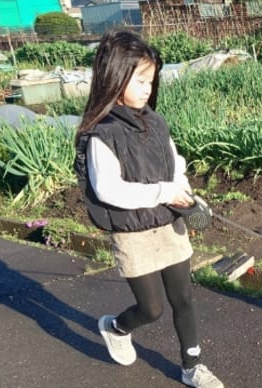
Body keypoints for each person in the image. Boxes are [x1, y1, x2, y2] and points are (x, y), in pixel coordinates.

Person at [73, 29, 223, 388]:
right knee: (151, 309)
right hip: (133, 233)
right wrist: (162, 191)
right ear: (115, 76)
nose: (147, 88)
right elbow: (109, 190)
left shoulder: (155, 122)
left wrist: (182, 189)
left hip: (169, 224)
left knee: (184, 298)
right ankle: (116, 327)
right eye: (140, 80)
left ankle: (192, 367)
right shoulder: (101, 134)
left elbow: (176, 162)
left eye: (151, 81)